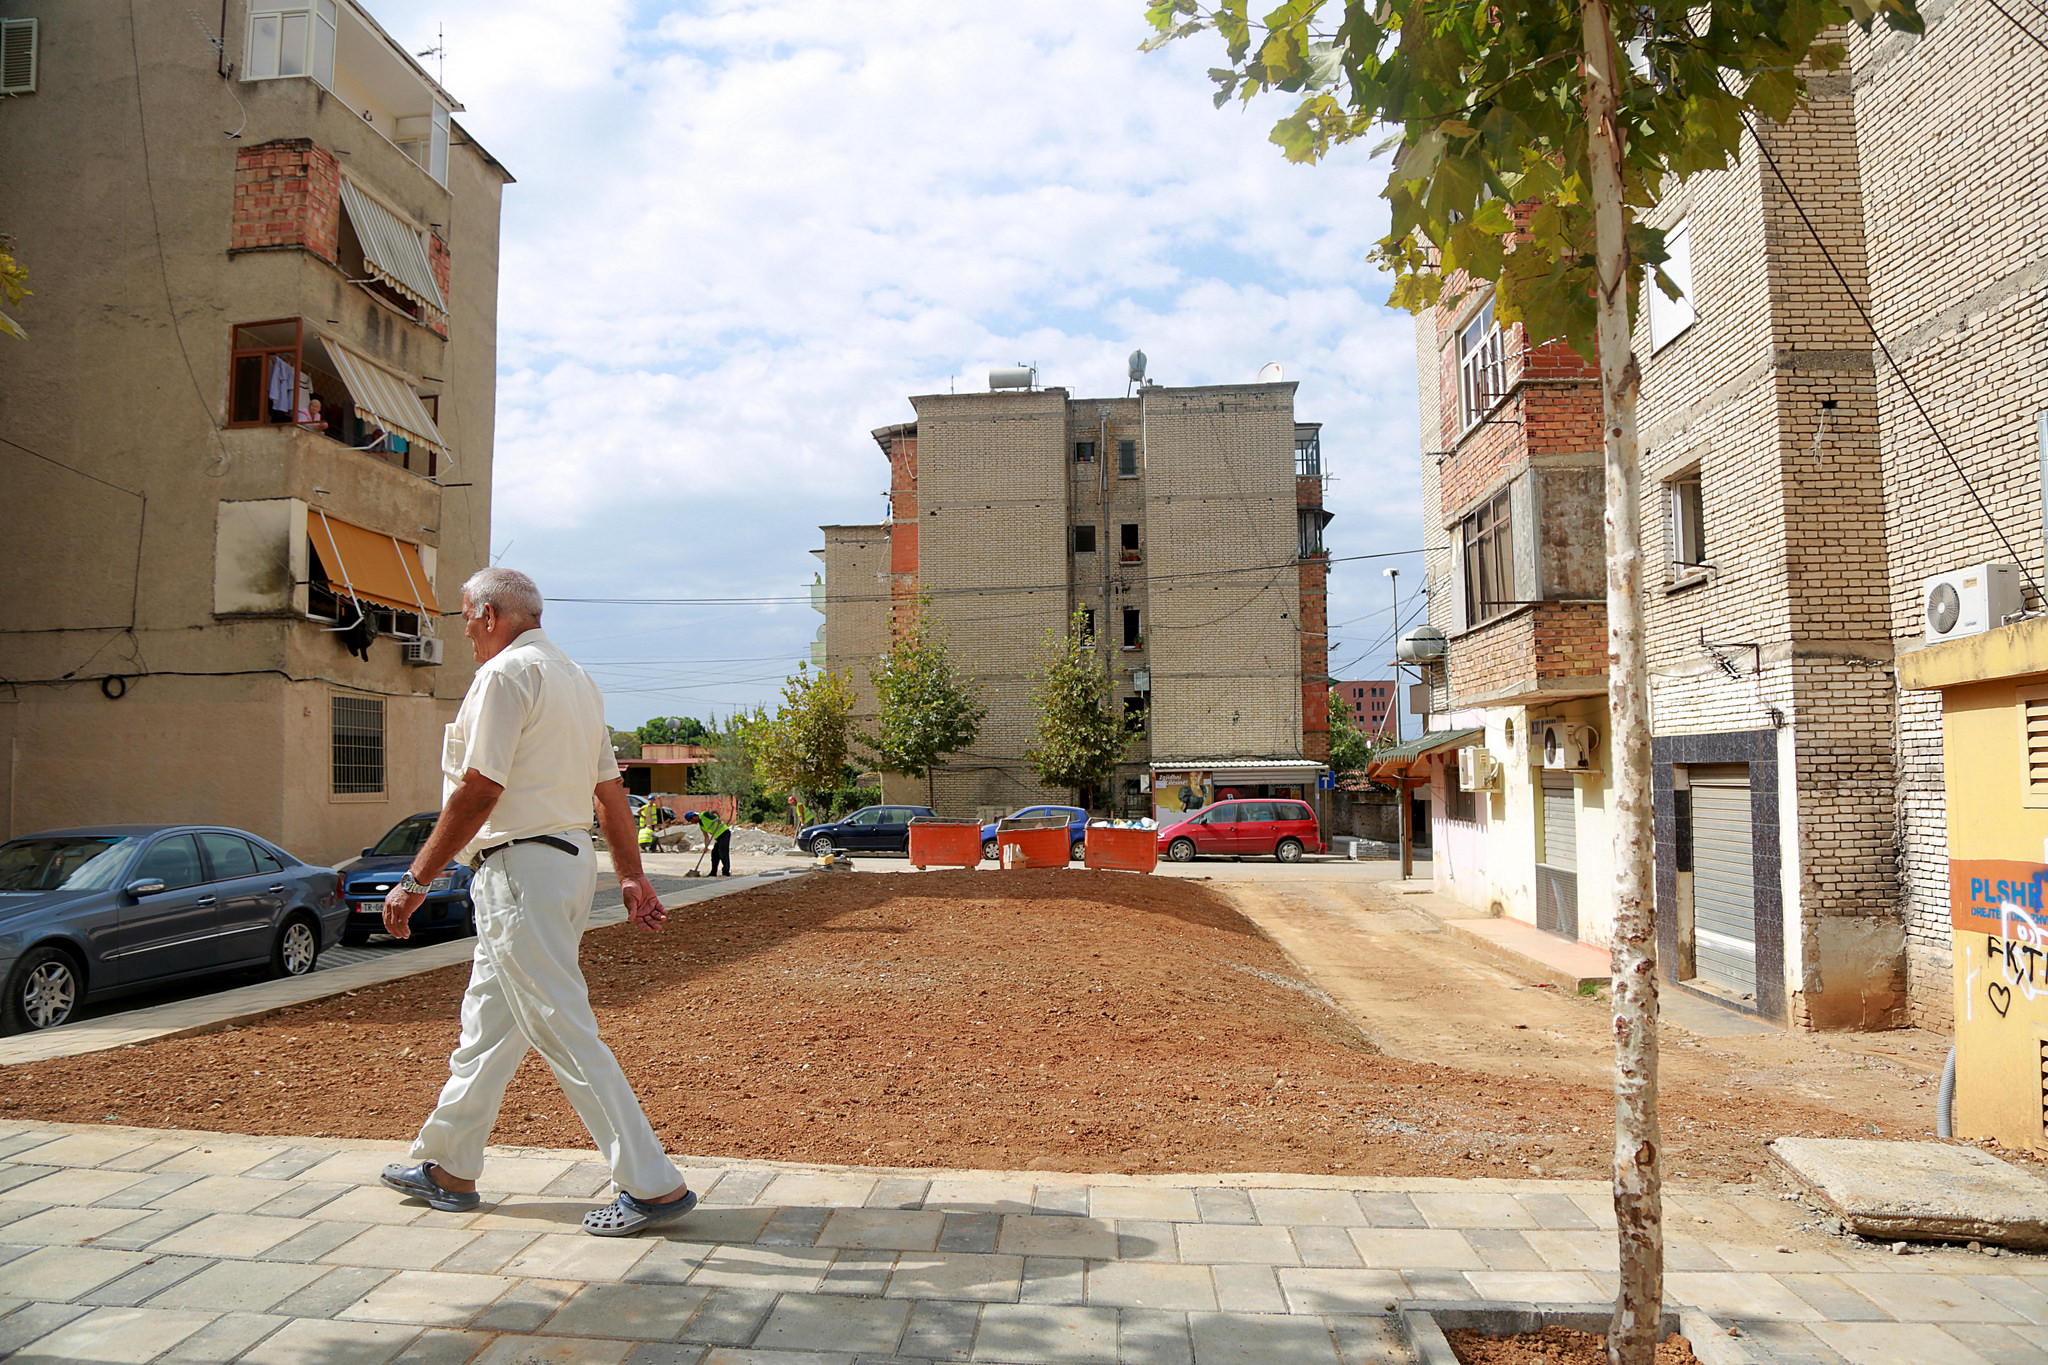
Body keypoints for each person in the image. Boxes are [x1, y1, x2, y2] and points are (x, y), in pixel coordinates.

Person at [378, 566, 697, 1238]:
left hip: (519, 869)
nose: (464, 632)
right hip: (561, 866)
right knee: (488, 1027)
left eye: (466, 618)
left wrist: (415, 879)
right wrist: (633, 877)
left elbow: (480, 789)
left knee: (560, 1025)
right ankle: (449, 1166)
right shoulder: (577, 681)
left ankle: (652, 1184)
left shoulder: (504, 676)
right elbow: (611, 794)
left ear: (491, 615)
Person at [685, 808, 730, 877]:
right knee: (714, 855)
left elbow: (716, 810)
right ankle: (713, 872)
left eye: (691, 820)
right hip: (717, 837)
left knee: (723, 853)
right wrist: (706, 847)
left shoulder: (704, 815)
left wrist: (720, 818)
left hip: (724, 833)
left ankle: (726, 872)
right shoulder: (701, 826)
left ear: (693, 816)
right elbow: (706, 836)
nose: (692, 822)